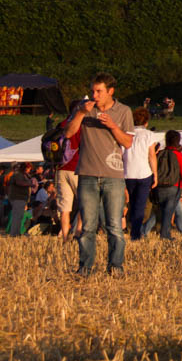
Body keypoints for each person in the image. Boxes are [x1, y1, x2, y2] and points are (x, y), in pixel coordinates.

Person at [60, 74, 134, 276]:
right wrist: (81, 114)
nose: (94, 95)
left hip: (114, 175)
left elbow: (127, 143)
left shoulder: (124, 111)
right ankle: (85, 267)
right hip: (87, 173)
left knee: (114, 226)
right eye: (93, 90)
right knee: (88, 227)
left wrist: (112, 126)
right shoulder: (84, 109)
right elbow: (68, 133)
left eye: (99, 91)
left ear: (111, 91)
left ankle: (116, 266)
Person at [123, 107, 158, 241]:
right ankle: (136, 233)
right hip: (144, 173)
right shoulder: (149, 135)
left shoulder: (125, 133)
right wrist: (155, 174)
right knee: (140, 205)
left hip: (127, 173)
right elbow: (151, 155)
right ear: (146, 122)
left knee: (131, 203)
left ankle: (132, 228)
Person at [153, 130, 182, 240]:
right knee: (168, 213)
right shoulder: (179, 156)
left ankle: (144, 230)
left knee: (159, 212)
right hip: (174, 187)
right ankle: (165, 235)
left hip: (159, 186)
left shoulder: (160, 154)